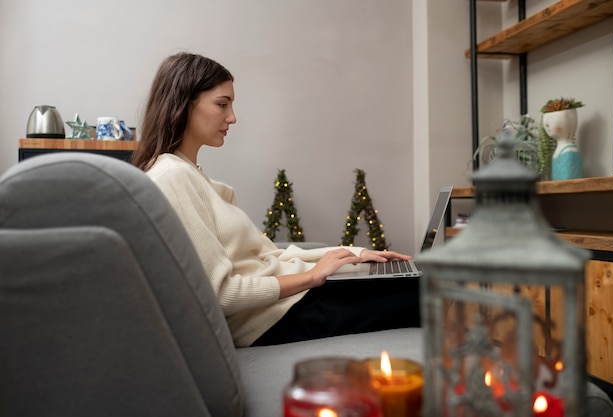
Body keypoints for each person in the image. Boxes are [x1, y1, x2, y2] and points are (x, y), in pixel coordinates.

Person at [131, 52, 421, 347]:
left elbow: (268, 256)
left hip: (291, 302)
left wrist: (351, 254)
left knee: (416, 279)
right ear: (183, 103)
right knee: (428, 289)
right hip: (277, 318)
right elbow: (220, 294)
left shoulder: (194, 176)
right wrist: (312, 277)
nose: (232, 117)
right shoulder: (171, 177)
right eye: (222, 104)